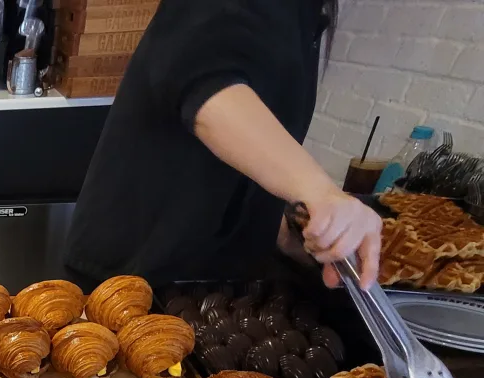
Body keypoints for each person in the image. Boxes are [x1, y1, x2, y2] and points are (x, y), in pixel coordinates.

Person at [64, 0, 382, 292]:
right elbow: (205, 80)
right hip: (139, 267)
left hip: (217, 278)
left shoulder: (304, 15)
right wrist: (320, 191)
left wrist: (281, 232)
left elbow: (244, 155)